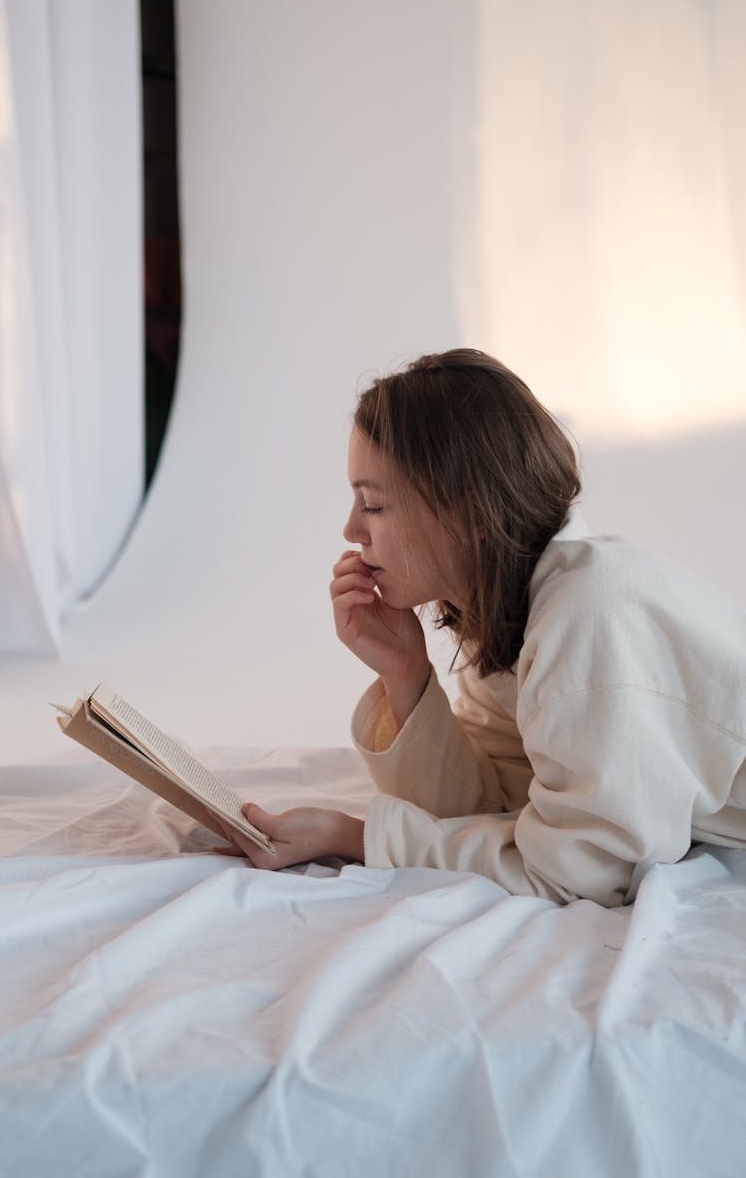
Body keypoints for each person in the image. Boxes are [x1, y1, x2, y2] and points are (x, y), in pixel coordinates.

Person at [218, 349, 746, 907]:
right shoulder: (515, 610)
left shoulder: (589, 618)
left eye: (372, 505)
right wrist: (407, 675)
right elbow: (490, 806)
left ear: (466, 512)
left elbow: (584, 871)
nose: (351, 530)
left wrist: (353, 837)